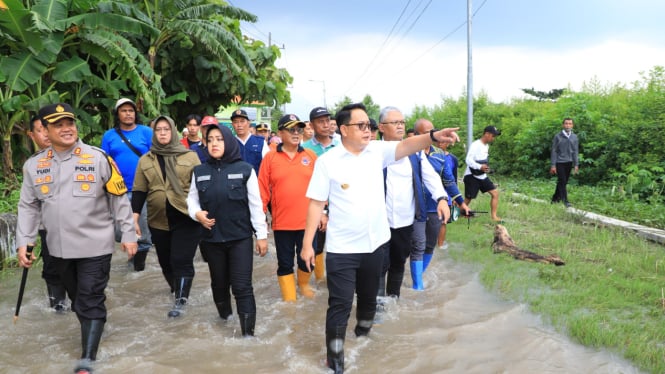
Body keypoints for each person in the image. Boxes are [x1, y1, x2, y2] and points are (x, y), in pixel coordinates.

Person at [301, 103, 459, 373]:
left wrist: (433, 137)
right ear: (343, 129)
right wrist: (307, 246)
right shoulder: (328, 162)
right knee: (339, 304)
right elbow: (316, 204)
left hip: (375, 246)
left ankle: (362, 338)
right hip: (341, 249)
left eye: (369, 126)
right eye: (361, 126)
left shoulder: (377, 152)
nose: (367, 130)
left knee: (368, 301)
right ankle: (336, 361)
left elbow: (408, 146)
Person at [16, 103, 138, 374]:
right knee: (77, 300)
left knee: (90, 297)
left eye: (69, 123)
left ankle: (87, 360)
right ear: (45, 131)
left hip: (95, 244)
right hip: (58, 248)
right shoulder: (35, 165)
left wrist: (129, 234)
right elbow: (29, 206)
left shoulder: (97, 158)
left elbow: (118, 198)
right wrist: (24, 241)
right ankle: (92, 329)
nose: (66, 129)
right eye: (58, 125)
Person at [187, 124, 268, 337]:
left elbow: (255, 205)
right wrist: (196, 214)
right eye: (210, 139)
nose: (214, 143)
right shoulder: (199, 171)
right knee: (219, 284)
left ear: (228, 142)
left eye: (219, 139)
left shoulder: (245, 169)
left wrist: (261, 236)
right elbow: (191, 200)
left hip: (240, 238)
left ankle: (248, 336)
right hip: (212, 239)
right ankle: (226, 319)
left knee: (242, 287)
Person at [131, 115, 202, 318]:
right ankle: (176, 287)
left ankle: (180, 301)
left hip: (186, 216)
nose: (162, 133)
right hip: (158, 219)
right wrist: (134, 218)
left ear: (173, 132)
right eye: (158, 130)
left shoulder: (189, 156)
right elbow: (139, 191)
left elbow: (201, 187)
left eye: (166, 129)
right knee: (165, 261)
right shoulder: (145, 160)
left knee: (181, 259)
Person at [378, 109, 449, 294]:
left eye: (402, 121)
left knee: (398, 264)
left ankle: (393, 302)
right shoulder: (372, 152)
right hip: (378, 222)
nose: (400, 125)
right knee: (378, 266)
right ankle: (375, 309)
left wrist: (441, 198)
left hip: (404, 222)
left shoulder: (416, 155)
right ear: (381, 127)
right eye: (395, 122)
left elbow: (431, 177)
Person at [258, 114, 318, 301]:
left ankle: (304, 285)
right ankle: (289, 297)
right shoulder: (270, 158)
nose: (296, 133)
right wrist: (261, 222)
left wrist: (324, 213)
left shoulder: (310, 156)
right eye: (291, 129)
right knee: (284, 263)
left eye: (299, 129)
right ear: (281, 132)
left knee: (307, 260)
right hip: (282, 223)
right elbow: (262, 191)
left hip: (308, 222)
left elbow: (322, 189)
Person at [101, 98, 153, 271]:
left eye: (131, 110)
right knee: (118, 230)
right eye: (124, 111)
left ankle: (138, 269)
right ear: (118, 114)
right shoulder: (109, 136)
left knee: (143, 232)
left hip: (142, 189)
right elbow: (104, 162)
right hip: (118, 190)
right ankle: (131, 253)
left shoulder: (146, 132)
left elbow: (155, 156)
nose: (128, 113)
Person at [26, 115, 72, 312]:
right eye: (40, 130)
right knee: (51, 265)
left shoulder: (76, 155)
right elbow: (29, 204)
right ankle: (58, 304)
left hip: (76, 223)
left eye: (48, 128)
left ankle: (83, 302)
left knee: (80, 266)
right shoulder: (32, 165)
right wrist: (27, 238)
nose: (45, 133)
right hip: (48, 226)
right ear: (32, 135)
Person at [414, 118, 470, 271]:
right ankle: (411, 280)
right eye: (426, 133)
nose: (431, 135)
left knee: (429, 245)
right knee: (414, 245)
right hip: (413, 207)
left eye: (432, 132)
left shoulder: (440, 155)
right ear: (415, 135)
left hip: (434, 207)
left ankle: (418, 279)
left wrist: (461, 203)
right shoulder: (410, 153)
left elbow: (449, 181)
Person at [303, 106, 340, 283]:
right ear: (312, 125)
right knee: (317, 245)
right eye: (320, 122)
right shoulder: (305, 149)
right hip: (317, 206)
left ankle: (337, 280)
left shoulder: (341, 145)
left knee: (340, 247)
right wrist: (322, 212)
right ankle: (319, 282)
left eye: (327, 120)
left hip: (340, 205)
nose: (325, 124)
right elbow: (306, 182)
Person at [463, 125, 502, 222]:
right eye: (493, 136)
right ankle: (457, 212)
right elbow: (468, 160)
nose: (494, 138)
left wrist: (485, 168)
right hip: (471, 176)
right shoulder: (476, 145)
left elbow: (483, 161)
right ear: (487, 134)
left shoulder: (486, 146)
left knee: (495, 193)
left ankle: (494, 216)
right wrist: (479, 167)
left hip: (482, 176)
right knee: (468, 198)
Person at [550, 117, 579, 207]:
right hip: (559, 162)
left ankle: (555, 199)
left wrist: (576, 164)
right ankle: (565, 201)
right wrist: (553, 165)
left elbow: (575, 151)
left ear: (572, 125)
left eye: (570, 124)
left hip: (569, 162)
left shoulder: (574, 137)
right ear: (563, 125)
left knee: (563, 182)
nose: (568, 125)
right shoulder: (558, 136)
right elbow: (554, 151)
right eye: (566, 123)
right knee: (562, 181)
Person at [231, 109, 268, 175]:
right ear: (232, 124)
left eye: (242, 121)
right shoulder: (230, 143)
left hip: (257, 182)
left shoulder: (260, 142)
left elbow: (268, 166)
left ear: (248, 123)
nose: (239, 125)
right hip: (236, 184)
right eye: (236, 122)